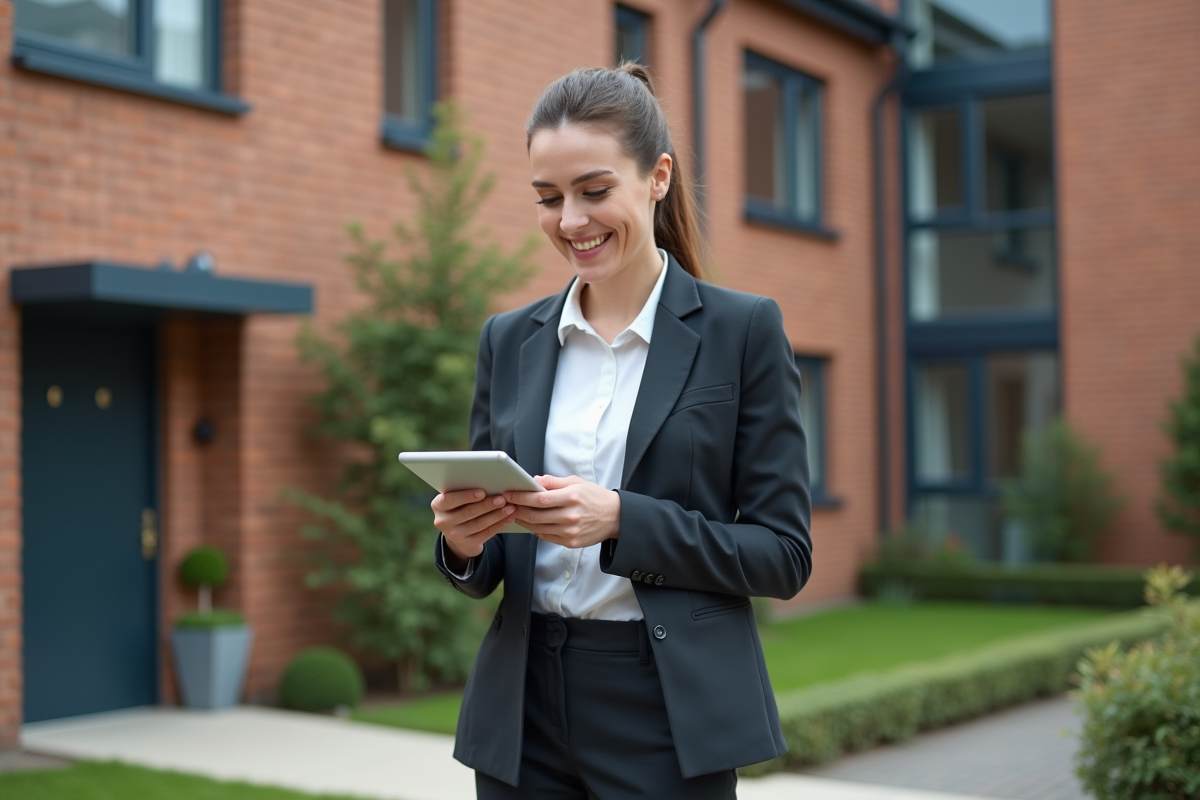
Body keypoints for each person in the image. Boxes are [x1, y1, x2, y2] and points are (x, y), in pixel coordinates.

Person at [431, 63, 812, 800]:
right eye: (548, 198)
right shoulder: (508, 341)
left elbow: (783, 555)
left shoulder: (742, 332)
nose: (570, 220)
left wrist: (622, 521)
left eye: (594, 191)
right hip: (522, 713)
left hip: (665, 711)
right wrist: (463, 541)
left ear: (658, 176)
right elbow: (486, 568)